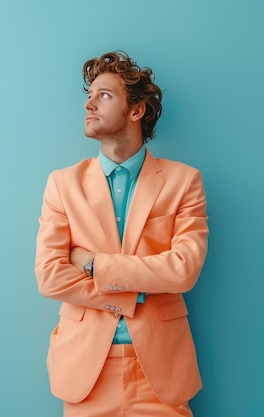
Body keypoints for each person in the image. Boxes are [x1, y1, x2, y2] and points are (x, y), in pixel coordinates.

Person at [34, 51, 209, 417]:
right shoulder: (62, 185)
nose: (89, 103)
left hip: (161, 375)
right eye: (89, 94)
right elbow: (50, 277)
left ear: (136, 111)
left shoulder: (183, 181)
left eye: (104, 95)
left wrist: (94, 265)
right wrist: (132, 295)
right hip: (85, 374)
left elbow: (183, 270)